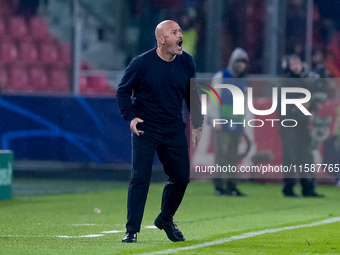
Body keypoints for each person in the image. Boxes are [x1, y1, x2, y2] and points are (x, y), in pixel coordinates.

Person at [116, 20, 204, 243]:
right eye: (174, 32)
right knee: (140, 177)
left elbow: (192, 95)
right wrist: (131, 116)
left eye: (180, 31)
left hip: (174, 128)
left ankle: (165, 218)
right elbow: (123, 92)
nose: (180, 35)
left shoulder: (187, 62)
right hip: (147, 128)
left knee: (181, 177)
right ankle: (132, 230)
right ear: (162, 40)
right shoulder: (142, 63)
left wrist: (198, 123)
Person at [279, 54, 325, 197]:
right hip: (289, 125)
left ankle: (308, 187)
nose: (296, 66)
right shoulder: (286, 82)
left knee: (305, 156)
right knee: (291, 156)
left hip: (301, 124)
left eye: (297, 63)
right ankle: (289, 188)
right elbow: (287, 105)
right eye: (293, 63)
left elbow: (313, 97)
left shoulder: (304, 80)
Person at [208, 47, 249, 196]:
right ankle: (220, 186)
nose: (241, 65)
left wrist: (243, 124)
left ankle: (231, 185)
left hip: (235, 124)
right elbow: (214, 98)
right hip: (222, 123)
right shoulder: (221, 76)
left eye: (243, 62)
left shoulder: (243, 80)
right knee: (222, 155)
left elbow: (243, 105)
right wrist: (215, 119)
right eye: (239, 61)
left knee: (232, 156)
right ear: (233, 62)